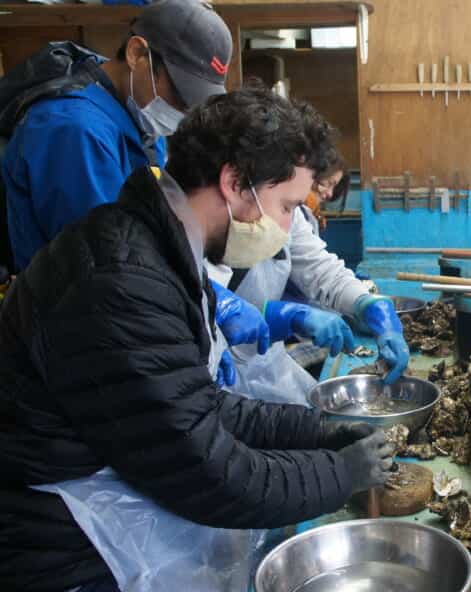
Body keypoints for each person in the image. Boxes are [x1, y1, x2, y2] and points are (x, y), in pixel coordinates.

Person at [0, 88, 396, 592]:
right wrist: (341, 474)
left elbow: (205, 406)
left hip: (102, 531)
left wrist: (322, 431)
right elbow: (210, 473)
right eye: (288, 206)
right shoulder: (123, 280)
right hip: (52, 583)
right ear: (236, 183)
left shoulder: (155, 246)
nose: (289, 230)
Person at [0, 0, 272, 385]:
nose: (181, 109)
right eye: (178, 92)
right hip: (68, 334)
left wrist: (203, 297)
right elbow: (110, 263)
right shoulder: (74, 130)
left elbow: (159, 231)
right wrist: (210, 304)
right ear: (137, 54)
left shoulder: (138, 125)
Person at [216, 155, 410, 404]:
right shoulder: (201, 232)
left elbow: (320, 268)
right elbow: (203, 307)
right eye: (287, 207)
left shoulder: (291, 214)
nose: (289, 221)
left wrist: (366, 303)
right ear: (236, 184)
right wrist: (272, 316)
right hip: (222, 378)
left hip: (266, 363)